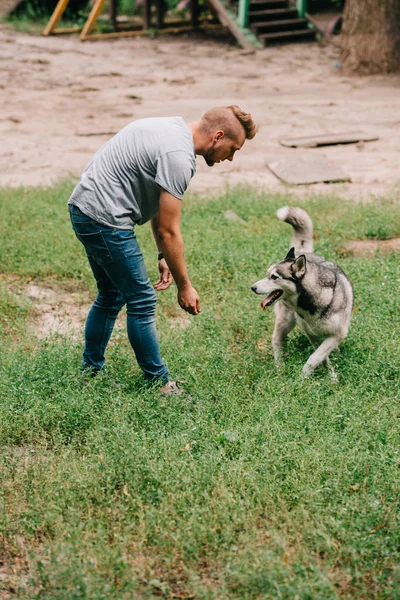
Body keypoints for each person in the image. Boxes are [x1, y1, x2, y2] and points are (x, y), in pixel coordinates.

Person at [68, 105, 257, 394]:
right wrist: (185, 286)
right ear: (218, 136)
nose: (230, 157)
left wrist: (162, 256)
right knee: (141, 299)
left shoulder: (168, 127)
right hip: (105, 219)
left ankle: (90, 372)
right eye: (234, 149)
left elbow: (159, 207)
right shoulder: (179, 157)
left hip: (83, 207)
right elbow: (169, 231)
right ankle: (159, 383)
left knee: (111, 294)